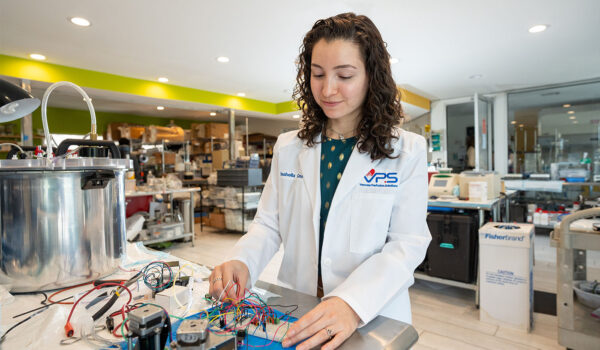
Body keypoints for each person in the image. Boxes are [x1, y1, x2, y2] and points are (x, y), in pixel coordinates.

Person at [209, 13, 431, 350]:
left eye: (344, 75)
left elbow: (407, 244)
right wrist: (242, 260)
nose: (327, 89)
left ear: (372, 76)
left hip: (370, 313)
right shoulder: (288, 147)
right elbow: (269, 224)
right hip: (297, 308)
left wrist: (352, 303)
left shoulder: (407, 151)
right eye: (317, 74)